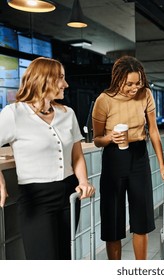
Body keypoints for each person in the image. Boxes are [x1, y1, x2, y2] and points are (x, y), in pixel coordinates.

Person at [0, 57, 95, 260]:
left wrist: (83, 181)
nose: (66, 84)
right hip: (36, 199)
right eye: (61, 77)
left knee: (64, 258)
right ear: (44, 79)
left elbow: (76, 155)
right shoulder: (13, 113)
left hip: (69, 195)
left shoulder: (67, 113)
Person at [92, 55, 164, 260]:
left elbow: (153, 131)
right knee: (113, 219)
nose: (134, 88)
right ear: (117, 79)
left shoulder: (146, 94)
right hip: (113, 158)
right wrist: (110, 137)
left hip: (139, 156)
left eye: (138, 83)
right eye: (129, 84)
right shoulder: (104, 100)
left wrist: (162, 164)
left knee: (141, 218)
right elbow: (97, 140)